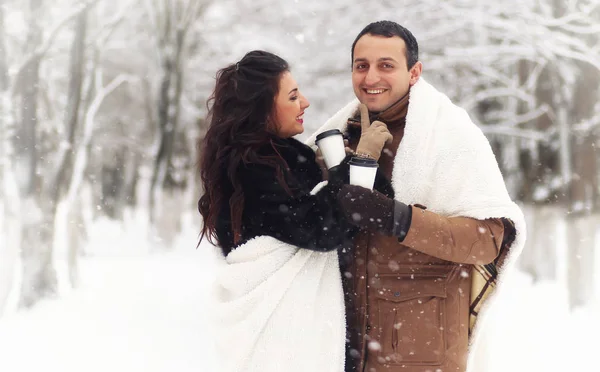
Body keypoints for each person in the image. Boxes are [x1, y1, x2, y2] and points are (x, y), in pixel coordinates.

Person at [306, 21, 526, 372]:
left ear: (414, 72)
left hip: (419, 351)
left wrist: (396, 217)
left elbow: (488, 240)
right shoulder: (336, 137)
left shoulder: (449, 134)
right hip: (343, 348)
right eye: (361, 66)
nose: (371, 77)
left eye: (386, 66)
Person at [197, 50, 393, 372]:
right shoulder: (252, 169)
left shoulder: (286, 158)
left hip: (305, 324)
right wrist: (360, 164)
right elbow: (322, 229)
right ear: (261, 109)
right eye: (292, 96)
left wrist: (349, 165)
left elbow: (369, 210)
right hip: (282, 327)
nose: (305, 102)